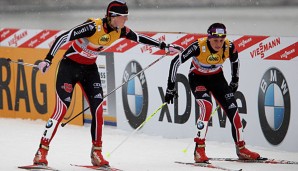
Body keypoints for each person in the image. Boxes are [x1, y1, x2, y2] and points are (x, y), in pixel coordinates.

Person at [34, 0, 182, 167]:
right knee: (61, 109)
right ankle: (41, 152)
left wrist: (165, 46)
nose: (126, 20)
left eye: (127, 17)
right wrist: (48, 59)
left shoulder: (120, 31)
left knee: (98, 110)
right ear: (113, 17)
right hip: (69, 67)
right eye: (123, 17)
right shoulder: (93, 26)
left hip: (89, 70)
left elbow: (140, 38)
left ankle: (96, 153)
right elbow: (63, 37)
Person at [164, 23, 260, 163]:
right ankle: (199, 149)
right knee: (207, 107)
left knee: (234, 111)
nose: (218, 44)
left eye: (221, 40)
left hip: (217, 78)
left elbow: (235, 62)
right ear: (209, 38)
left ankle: (241, 149)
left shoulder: (229, 46)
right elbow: (175, 63)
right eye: (215, 40)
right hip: (198, 79)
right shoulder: (198, 46)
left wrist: (235, 80)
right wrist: (170, 87)